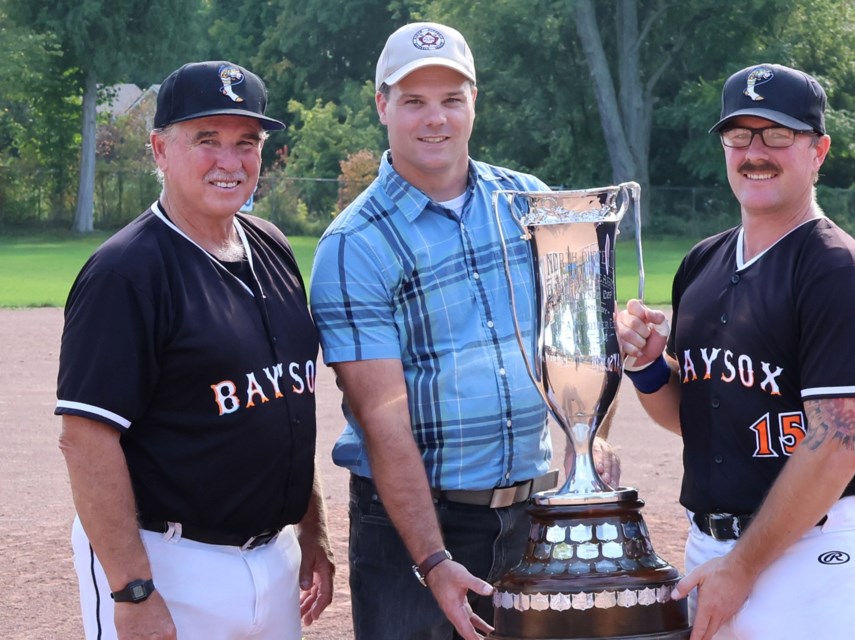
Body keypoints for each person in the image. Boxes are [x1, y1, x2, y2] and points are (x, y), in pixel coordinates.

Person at [310, 22, 620, 640]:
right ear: (382, 106)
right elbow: (382, 417)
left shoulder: (528, 201)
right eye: (414, 101)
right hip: (415, 529)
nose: (436, 119)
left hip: (532, 514)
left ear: (474, 102)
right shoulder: (353, 246)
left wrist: (591, 441)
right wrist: (433, 560)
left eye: (452, 99)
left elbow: (579, 344)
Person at [617, 63, 855, 640]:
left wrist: (742, 568)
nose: (754, 152)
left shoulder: (836, 271)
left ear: (818, 150)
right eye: (739, 135)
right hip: (711, 553)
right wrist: (649, 368)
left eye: (777, 134)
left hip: (812, 561)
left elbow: (838, 447)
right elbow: (693, 420)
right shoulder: (702, 263)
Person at [56, 60, 335, 640]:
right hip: (166, 561)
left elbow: (284, 403)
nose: (230, 161)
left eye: (246, 142)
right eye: (206, 139)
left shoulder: (273, 248)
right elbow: (86, 440)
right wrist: (133, 592)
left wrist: (313, 530)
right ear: (160, 149)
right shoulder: (126, 273)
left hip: (272, 557)